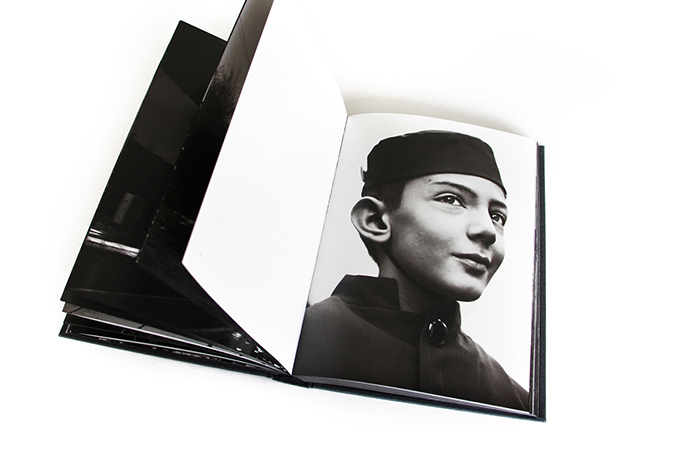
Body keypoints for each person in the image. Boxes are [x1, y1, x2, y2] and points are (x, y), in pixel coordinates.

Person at [293, 130, 529, 411]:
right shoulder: (301, 339)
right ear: (376, 220)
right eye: (451, 200)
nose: (488, 230)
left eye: (497, 216)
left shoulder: (512, 398)